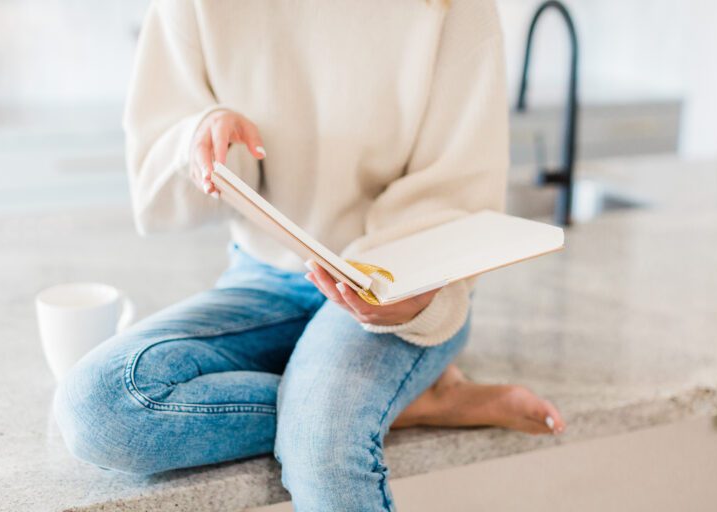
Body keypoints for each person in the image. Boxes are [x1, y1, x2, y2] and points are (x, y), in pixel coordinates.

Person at [54, 0, 565, 510]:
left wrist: (406, 293)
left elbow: (458, 199)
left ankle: (347, 409)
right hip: (263, 277)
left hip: (393, 286)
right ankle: (402, 404)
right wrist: (202, 139)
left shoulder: (455, 9)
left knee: (324, 443)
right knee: (98, 407)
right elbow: (155, 192)